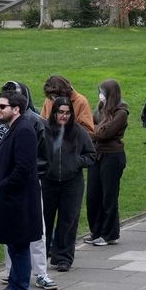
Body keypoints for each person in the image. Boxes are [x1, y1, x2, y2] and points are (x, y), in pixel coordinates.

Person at [0, 81, 58, 290]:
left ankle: (39, 273)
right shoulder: (2, 124)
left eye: (4, 105)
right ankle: (12, 274)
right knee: (11, 235)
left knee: (32, 232)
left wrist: (16, 180)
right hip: (10, 188)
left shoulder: (32, 124)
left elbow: (40, 159)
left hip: (24, 187)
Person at [0, 89, 44, 290]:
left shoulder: (24, 130)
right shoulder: (15, 128)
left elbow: (24, 167)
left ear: (16, 109)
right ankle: (14, 282)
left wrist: (4, 185)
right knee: (14, 244)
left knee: (19, 244)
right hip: (12, 197)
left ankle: (19, 287)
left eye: (2, 106)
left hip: (18, 199)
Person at [43, 96, 97, 270]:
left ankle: (64, 258)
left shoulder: (78, 132)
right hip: (48, 182)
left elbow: (91, 155)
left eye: (67, 113)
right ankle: (42, 255)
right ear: (54, 113)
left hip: (71, 183)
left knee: (68, 220)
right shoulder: (45, 131)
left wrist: (76, 162)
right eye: (60, 112)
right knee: (45, 220)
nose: (64, 116)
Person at [86, 79, 129, 247]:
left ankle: (109, 233)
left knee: (109, 196)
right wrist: (94, 130)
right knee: (93, 195)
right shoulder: (100, 108)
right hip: (97, 155)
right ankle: (96, 231)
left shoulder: (121, 112)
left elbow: (104, 133)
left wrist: (93, 131)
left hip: (112, 156)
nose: (100, 95)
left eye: (103, 92)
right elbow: (90, 124)